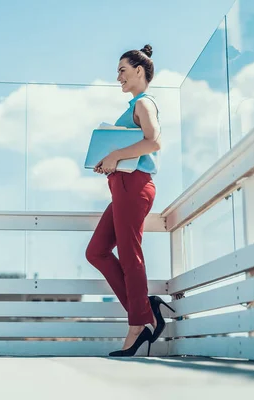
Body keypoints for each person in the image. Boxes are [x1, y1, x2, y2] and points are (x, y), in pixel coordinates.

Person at [86, 44, 173, 357]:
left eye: (122, 70)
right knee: (96, 251)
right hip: (122, 184)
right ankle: (145, 308)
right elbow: (132, 147)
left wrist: (114, 154)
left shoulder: (144, 102)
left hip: (133, 186)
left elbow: (155, 141)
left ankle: (138, 325)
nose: (118, 76)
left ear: (140, 70)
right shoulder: (134, 105)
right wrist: (108, 161)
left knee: (128, 251)